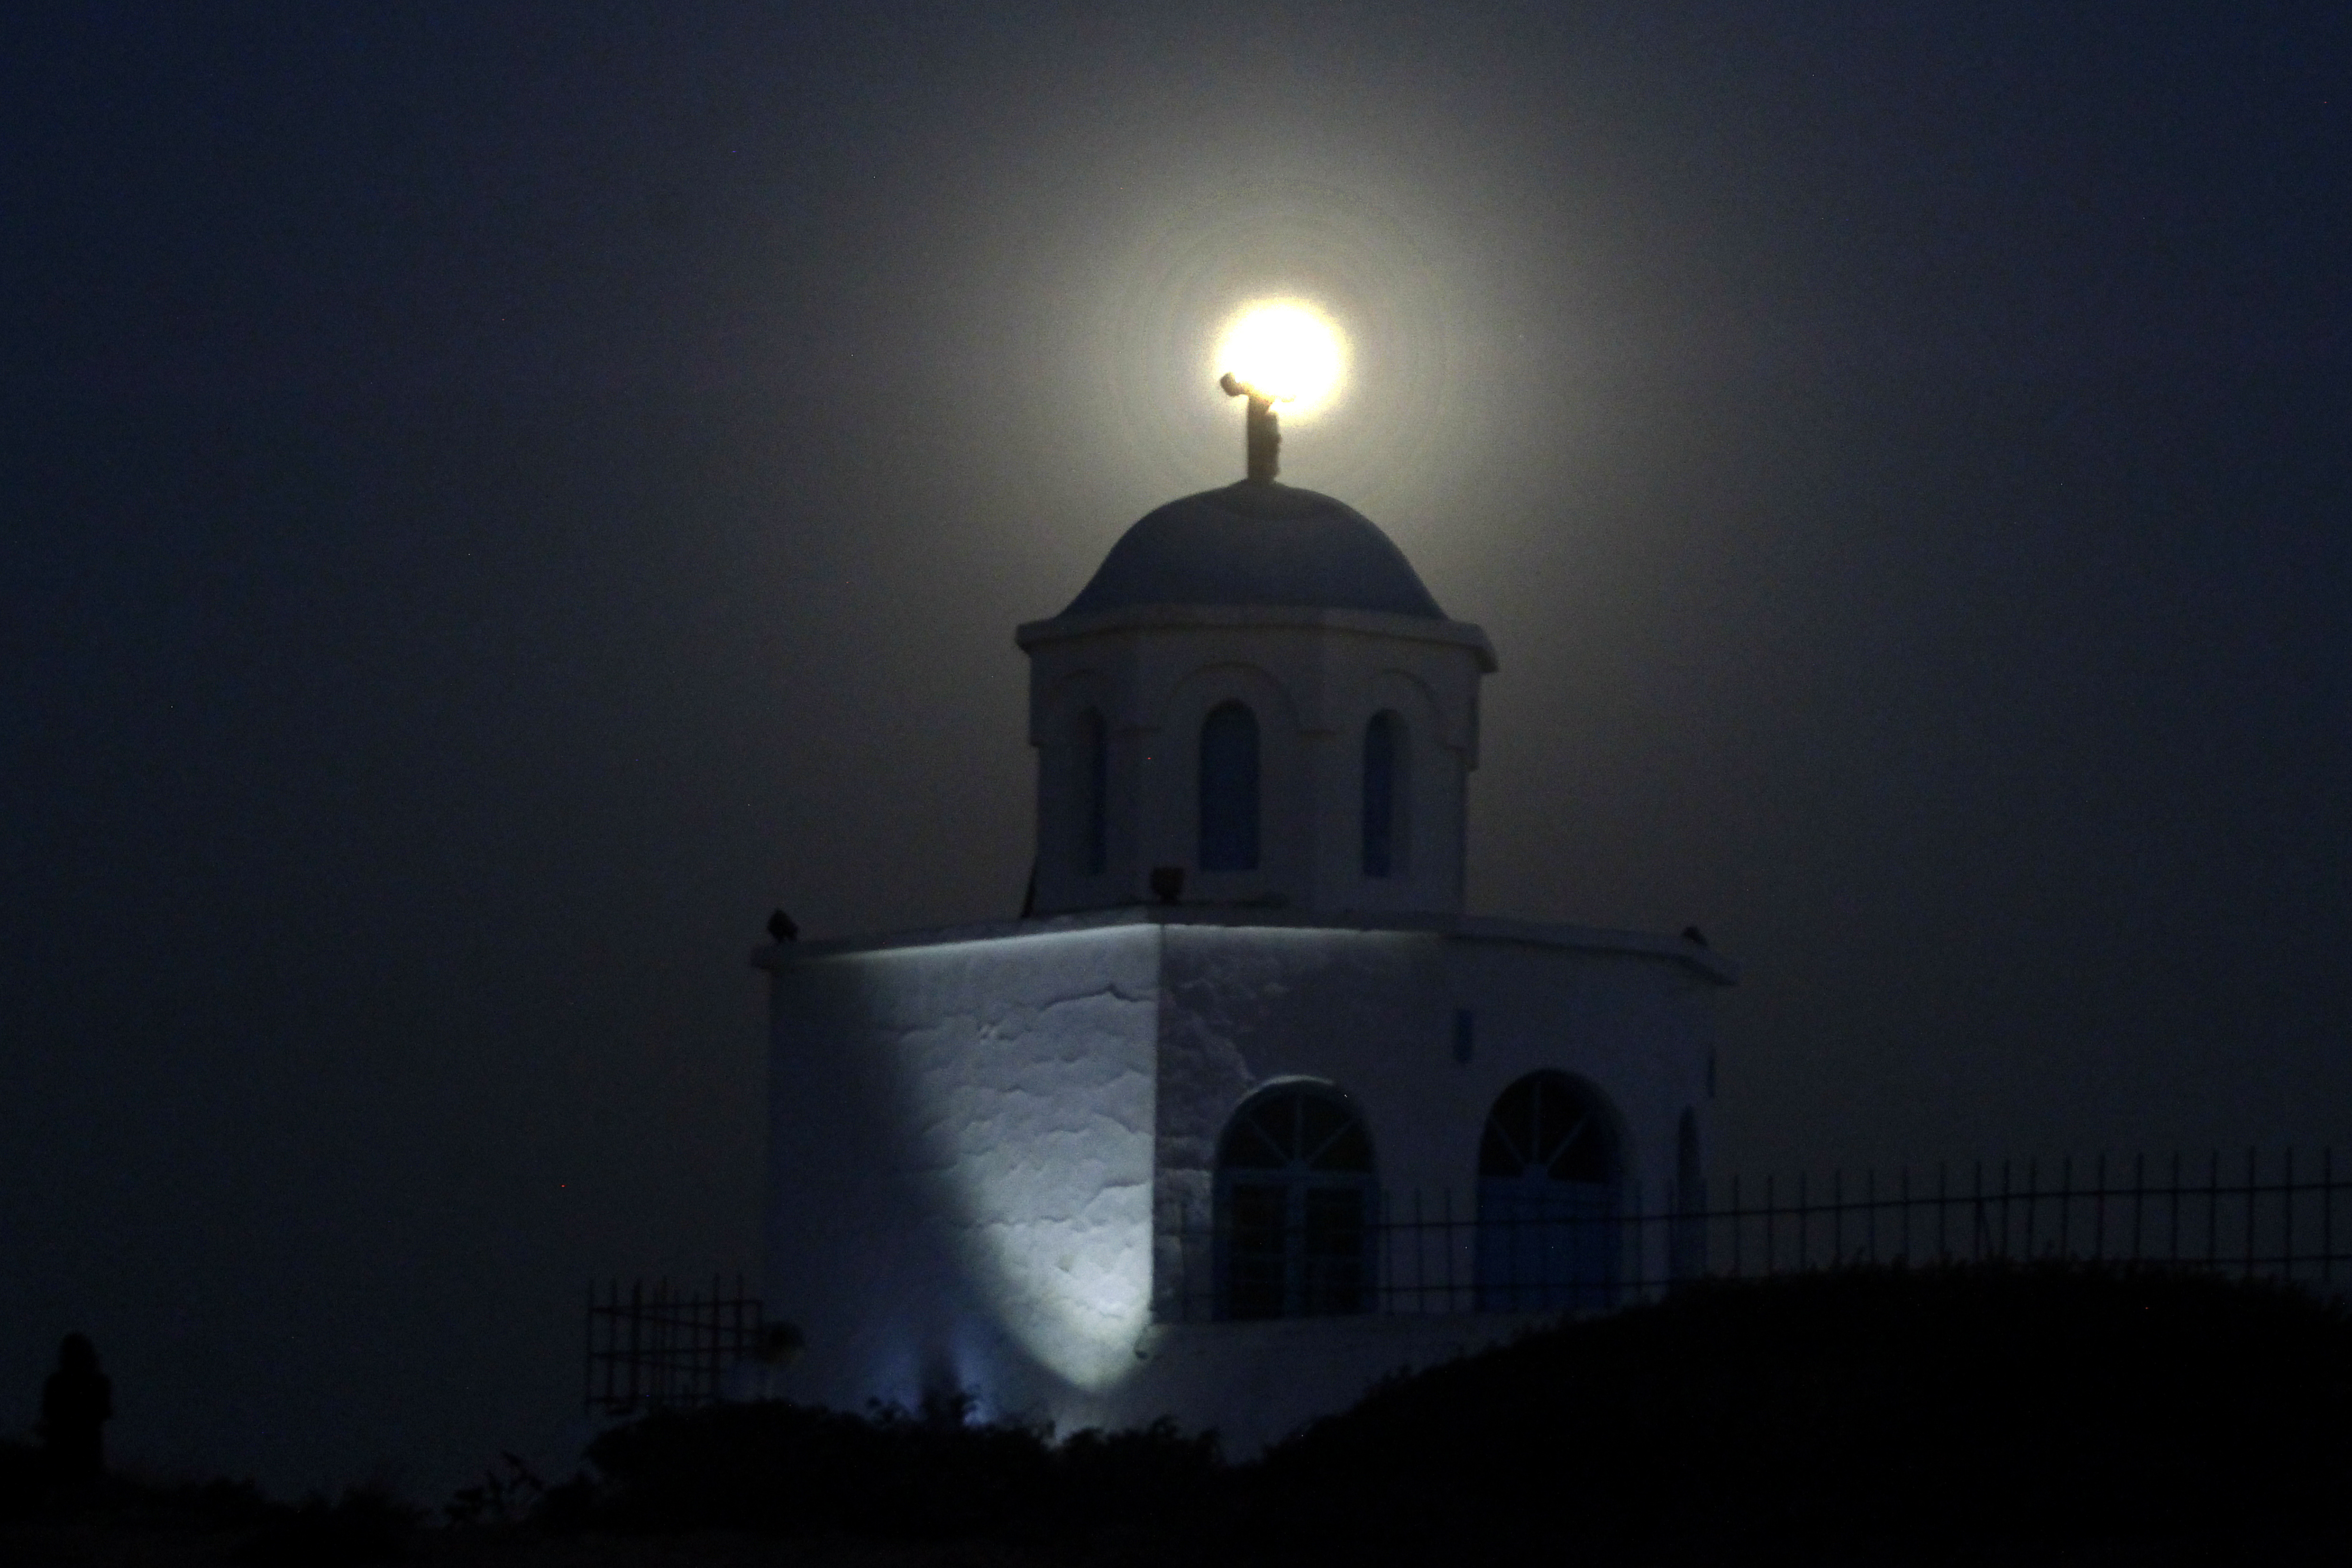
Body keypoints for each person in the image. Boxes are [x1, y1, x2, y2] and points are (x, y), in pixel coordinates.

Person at [40, 1333, 112, 1486]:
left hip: (73, 1457)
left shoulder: (58, 1383)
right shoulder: (97, 1384)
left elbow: (48, 1417)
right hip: (69, 1457)